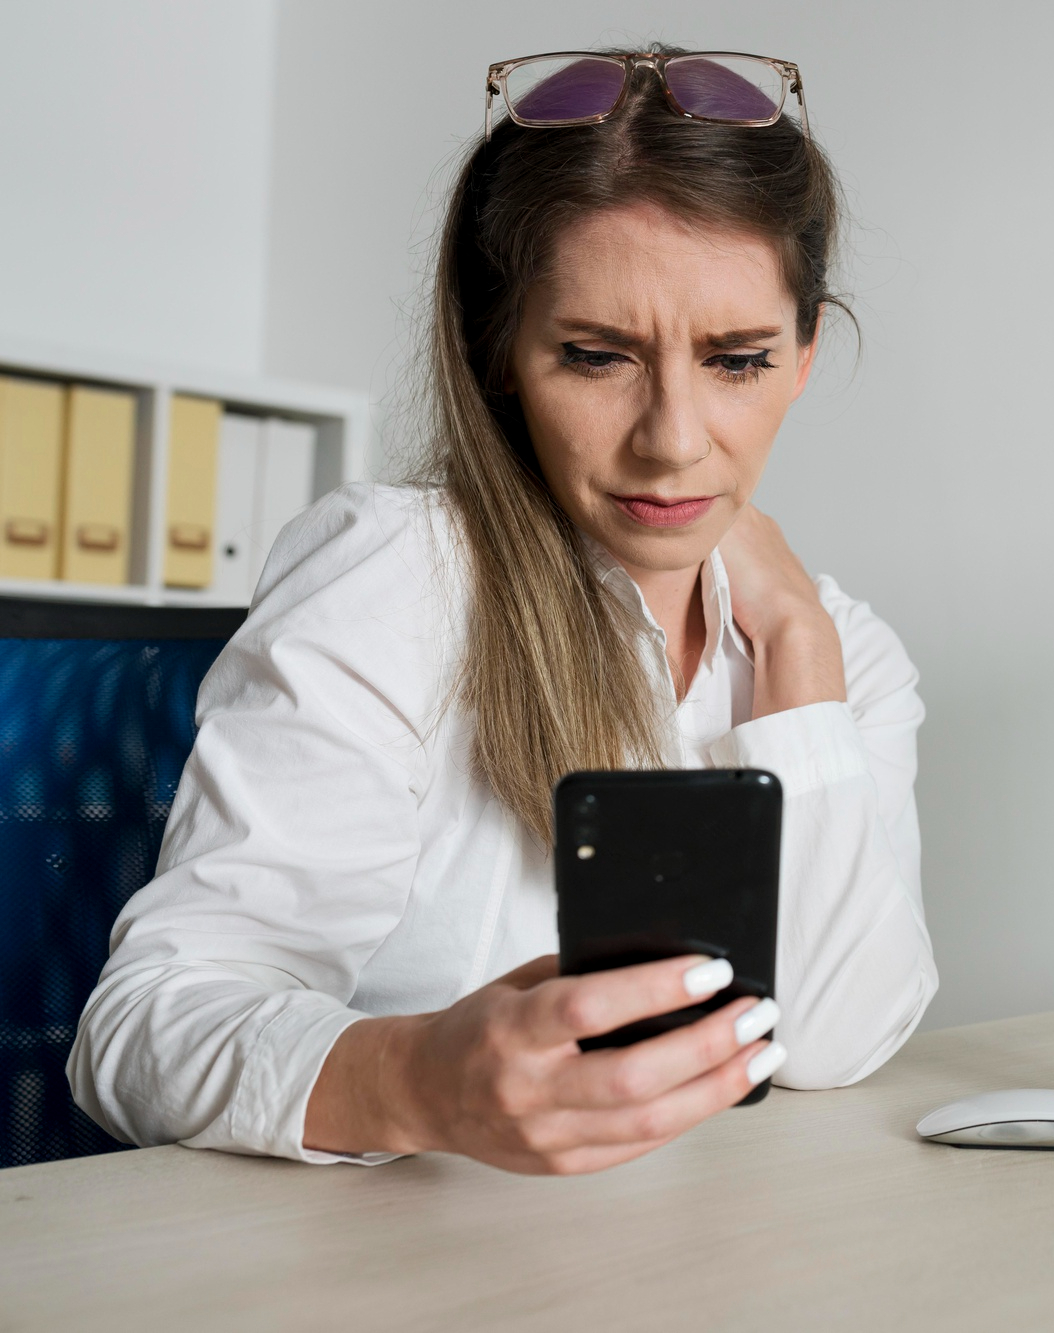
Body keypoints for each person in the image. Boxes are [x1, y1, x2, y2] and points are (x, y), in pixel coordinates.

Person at [68, 46, 936, 1175]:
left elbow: (832, 1039)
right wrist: (420, 1079)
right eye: (594, 355)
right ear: (499, 352)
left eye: (736, 360)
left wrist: (800, 658)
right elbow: (137, 1032)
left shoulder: (840, 655)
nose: (673, 440)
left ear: (804, 352)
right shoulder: (398, 580)